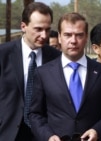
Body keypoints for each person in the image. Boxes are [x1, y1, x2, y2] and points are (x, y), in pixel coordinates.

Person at [29, 12, 101, 141]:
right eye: (67, 35)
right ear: (60, 37)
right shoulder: (43, 73)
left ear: (86, 37)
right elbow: (35, 114)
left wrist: (97, 131)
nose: (73, 41)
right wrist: (48, 136)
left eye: (79, 35)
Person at [0, 2, 61, 141]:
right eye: (38, 29)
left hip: (45, 134)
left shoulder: (57, 59)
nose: (44, 35)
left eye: (47, 29)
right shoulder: (3, 55)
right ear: (23, 26)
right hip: (7, 132)